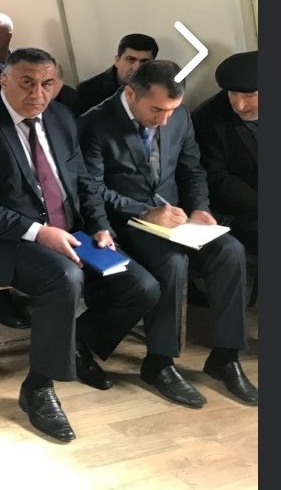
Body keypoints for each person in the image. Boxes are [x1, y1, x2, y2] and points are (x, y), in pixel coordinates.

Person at [0, 47, 160, 442]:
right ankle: (38, 388)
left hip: (70, 232)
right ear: (4, 81)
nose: (38, 94)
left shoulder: (62, 118)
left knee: (142, 287)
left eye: (48, 84)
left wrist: (99, 227)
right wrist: (38, 231)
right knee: (64, 279)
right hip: (1, 239)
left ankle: (75, 343)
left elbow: (84, 183)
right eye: (27, 83)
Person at [78, 59, 257, 407]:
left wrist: (200, 207)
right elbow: (91, 190)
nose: (164, 120)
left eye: (171, 110)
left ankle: (225, 357)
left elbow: (192, 169)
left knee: (230, 251)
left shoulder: (180, 115)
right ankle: (159, 362)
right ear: (131, 93)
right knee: (172, 263)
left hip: (176, 217)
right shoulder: (94, 122)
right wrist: (144, 212)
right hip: (126, 221)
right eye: (157, 110)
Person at [191, 50, 258, 253]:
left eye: (249, 96)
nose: (239, 105)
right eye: (233, 94)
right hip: (240, 209)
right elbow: (218, 179)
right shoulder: (208, 120)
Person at [76, 33, 158, 115]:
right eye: (130, 59)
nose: (136, 68)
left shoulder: (161, 87)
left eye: (144, 61)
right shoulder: (87, 91)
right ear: (117, 60)